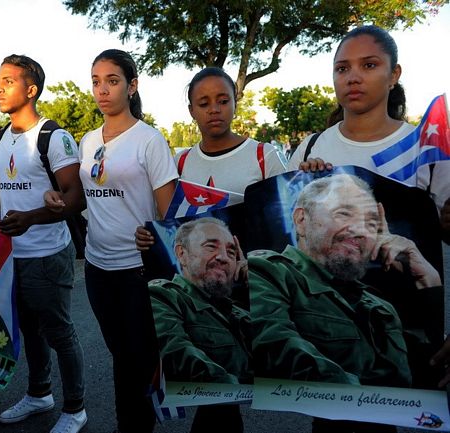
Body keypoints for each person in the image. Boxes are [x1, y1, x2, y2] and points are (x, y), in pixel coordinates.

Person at [0, 54, 87, 433]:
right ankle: (39, 394)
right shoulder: (0, 137)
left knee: (60, 332)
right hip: (10, 255)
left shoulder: (53, 136)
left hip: (46, 255)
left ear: (31, 89)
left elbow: (76, 198)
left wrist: (30, 219)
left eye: (8, 81)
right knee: (28, 329)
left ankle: (75, 408)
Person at [46, 48, 177, 433]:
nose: (102, 90)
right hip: (98, 268)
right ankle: (128, 424)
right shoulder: (88, 141)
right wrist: (57, 199)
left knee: (139, 358)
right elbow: (84, 196)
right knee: (120, 356)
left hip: (137, 271)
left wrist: (151, 233)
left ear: (132, 86)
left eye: (113, 81)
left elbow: (168, 215)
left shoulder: (150, 140)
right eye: (96, 81)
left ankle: (137, 426)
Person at [249, 173, 442, 433]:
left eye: (371, 223)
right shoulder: (267, 273)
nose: (361, 230)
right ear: (301, 220)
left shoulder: (377, 305)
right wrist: (377, 400)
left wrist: (428, 281)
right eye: (343, 213)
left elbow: (430, 372)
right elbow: (277, 350)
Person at [287, 25, 449, 241]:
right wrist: (303, 185)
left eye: (369, 65)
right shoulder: (310, 148)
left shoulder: (426, 148)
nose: (353, 77)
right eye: (342, 69)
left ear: (394, 75)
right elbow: (287, 230)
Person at [135, 67, 286, 251]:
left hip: (253, 272)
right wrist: (148, 235)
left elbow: (283, 220)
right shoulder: (180, 162)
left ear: (235, 104)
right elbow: (167, 223)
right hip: (198, 273)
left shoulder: (264, 155)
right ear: (191, 110)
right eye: (204, 104)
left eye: (223, 101)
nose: (214, 110)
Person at [149, 217, 251, 433]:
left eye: (232, 252)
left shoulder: (237, 311)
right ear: (181, 254)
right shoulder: (163, 296)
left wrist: (255, 282)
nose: (223, 257)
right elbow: (177, 355)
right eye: (210, 247)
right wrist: (253, 389)